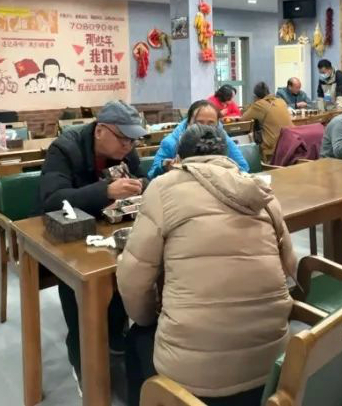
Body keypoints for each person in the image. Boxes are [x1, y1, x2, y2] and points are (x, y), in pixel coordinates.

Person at [119, 123, 296, 406]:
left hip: (196, 382)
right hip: (272, 366)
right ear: (226, 155)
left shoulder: (163, 189)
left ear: (179, 158)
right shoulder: (259, 191)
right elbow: (290, 266)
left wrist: (149, 318)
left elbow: (133, 282)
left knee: (137, 337)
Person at [38, 100, 149, 385]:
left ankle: (114, 334)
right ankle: (80, 352)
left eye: (133, 139)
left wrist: (142, 185)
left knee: (133, 265)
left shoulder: (126, 150)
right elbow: (52, 200)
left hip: (110, 230)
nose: (129, 145)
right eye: (123, 138)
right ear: (100, 131)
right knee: (78, 278)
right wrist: (105, 191)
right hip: (66, 235)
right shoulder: (65, 148)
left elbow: (142, 179)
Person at [148, 99, 248, 179]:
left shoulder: (223, 140)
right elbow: (152, 175)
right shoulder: (171, 143)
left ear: (217, 124)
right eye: (199, 123)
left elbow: (243, 168)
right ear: (188, 123)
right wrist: (165, 167)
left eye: (211, 124)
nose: (204, 129)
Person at [239, 81, 293, 162]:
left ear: (256, 96)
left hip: (273, 146)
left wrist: (254, 102)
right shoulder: (281, 101)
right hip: (290, 141)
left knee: (252, 140)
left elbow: (243, 118)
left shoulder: (259, 104)